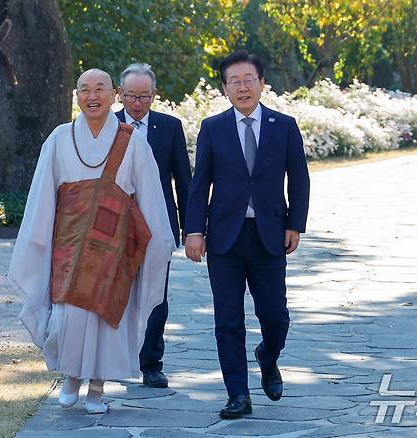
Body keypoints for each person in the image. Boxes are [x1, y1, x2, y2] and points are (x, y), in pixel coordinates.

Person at [8, 68, 175, 415]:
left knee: (106, 315)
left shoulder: (132, 141)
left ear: (113, 95)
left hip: (113, 248)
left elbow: (150, 197)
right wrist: (40, 237)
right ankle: (71, 377)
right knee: (68, 314)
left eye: (100, 88)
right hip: (69, 244)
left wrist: (157, 242)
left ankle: (97, 388)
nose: (92, 96)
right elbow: (42, 194)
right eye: (85, 89)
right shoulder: (58, 137)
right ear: (77, 96)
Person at [184, 50, 310, 419]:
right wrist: (194, 230)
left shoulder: (283, 125)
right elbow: (199, 183)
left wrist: (295, 224)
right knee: (228, 319)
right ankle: (238, 394)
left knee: (275, 316)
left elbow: (299, 179)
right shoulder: (213, 127)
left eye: (248, 79)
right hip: (224, 237)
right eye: (234, 81)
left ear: (261, 83)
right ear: (224, 88)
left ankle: (268, 357)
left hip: (270, 234)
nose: (242, 87)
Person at [115, 63, 192, 388]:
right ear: (120, 94)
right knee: (111, 294)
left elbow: (183, 180)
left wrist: (191, 228)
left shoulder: (169, 126)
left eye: (144, 96)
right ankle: (111, 360)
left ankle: (151, 363)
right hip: (113, 225)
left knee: (156, 295)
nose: (137, 103)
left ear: (154, 95)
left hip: (158, 225)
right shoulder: (106, 124)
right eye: (131, 96)